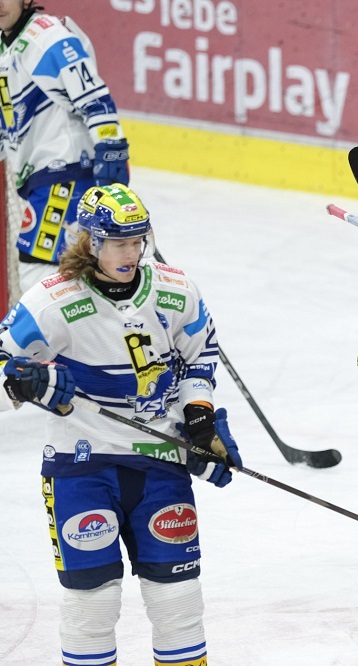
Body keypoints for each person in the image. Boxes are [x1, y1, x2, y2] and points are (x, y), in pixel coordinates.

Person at [0, 183, 240, 666]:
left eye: (137, 240)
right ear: (91, 241)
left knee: (178, 601)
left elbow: (199, 358)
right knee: (94, 602)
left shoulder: (175, 290)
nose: (131, 252)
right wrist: (32, 382)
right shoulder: (52, 301)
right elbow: (5, 362)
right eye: (118, 242)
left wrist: (199, 419)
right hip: (80, 468)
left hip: (161, 465)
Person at [0, 0, 130, 294]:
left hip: (66, 176)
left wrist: (112, 148)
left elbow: (93, 95)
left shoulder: (47, 38)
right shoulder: (7, 46)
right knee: (71, 281)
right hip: (43, 181)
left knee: (40, 281)